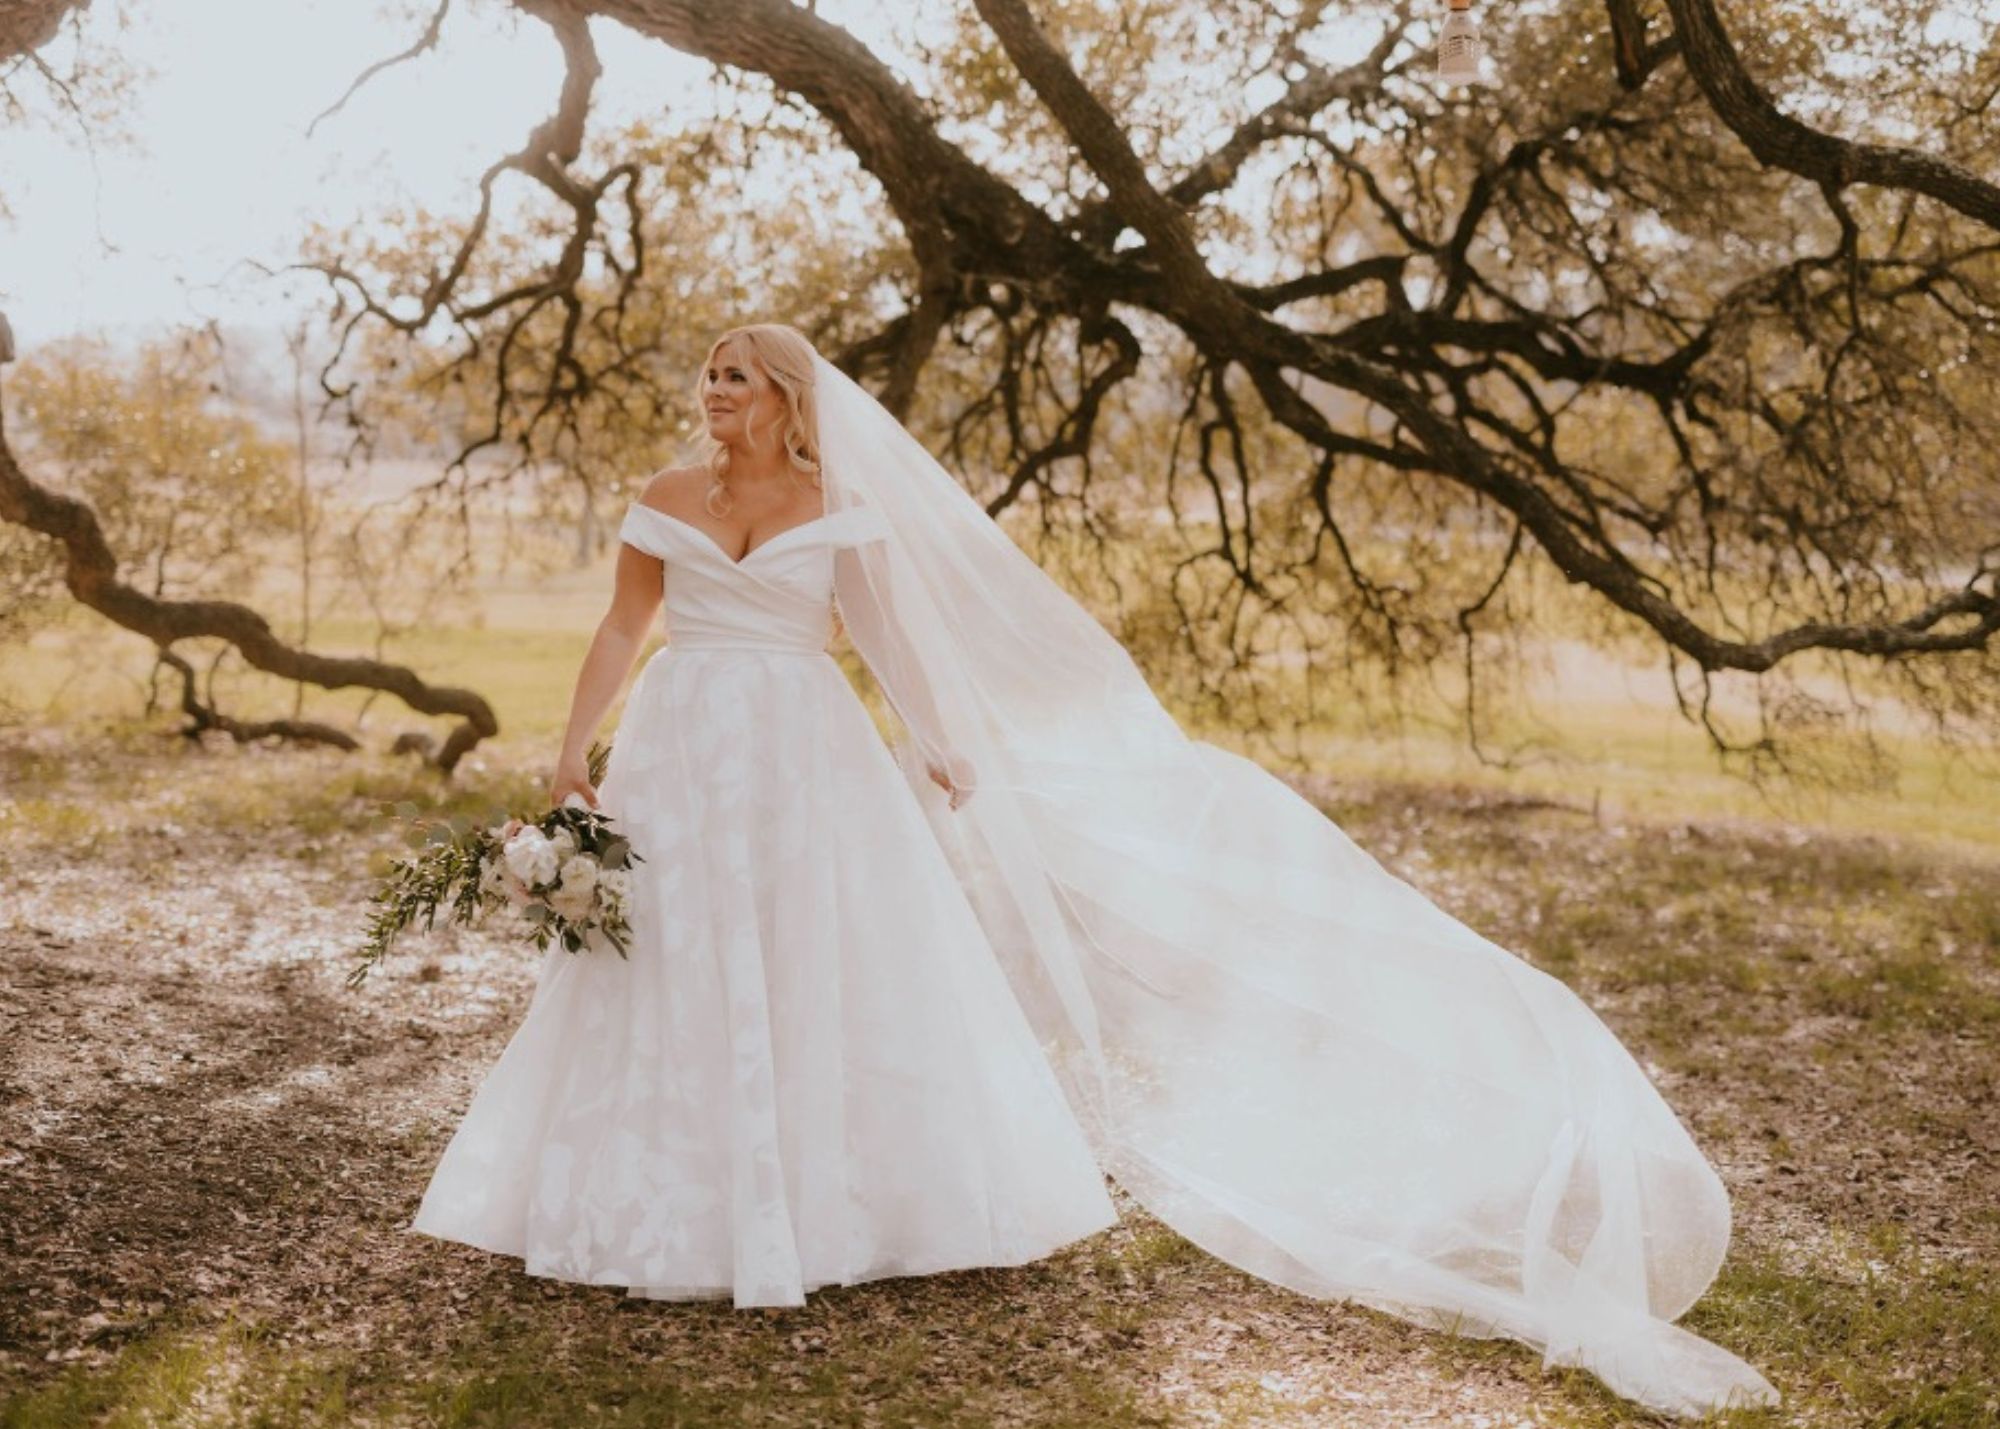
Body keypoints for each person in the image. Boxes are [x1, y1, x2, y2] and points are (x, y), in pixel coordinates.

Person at [408, 323, 1779, 1419]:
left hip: (805, 753)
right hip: (683, 742)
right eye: (705, 374)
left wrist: (946, 747)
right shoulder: (660, 498)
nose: (710, 392)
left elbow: (886, 644)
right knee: (674, 955)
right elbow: (617, 628)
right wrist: (571, 753)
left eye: (733, 376)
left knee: (812, 954)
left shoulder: (838, 506)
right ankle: (640, 1202)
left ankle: (821, 1205)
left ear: (782, 397)